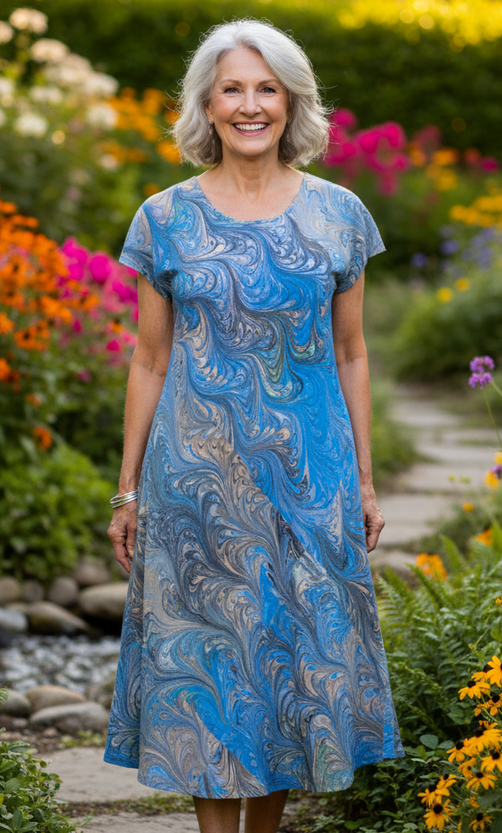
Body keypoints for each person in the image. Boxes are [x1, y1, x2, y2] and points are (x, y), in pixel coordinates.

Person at [103, 18, 404, 833]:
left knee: (290, 670)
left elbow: (351, 354)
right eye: (232, 87)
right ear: (206, 102)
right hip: (195, 485)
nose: (249, 104)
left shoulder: (339, 214)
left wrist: (365, 481)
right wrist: (125, 489)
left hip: (308, 482)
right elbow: (149, 361)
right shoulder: (165, 218)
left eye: (266, 87)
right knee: (206, 667)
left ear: (291, 101)